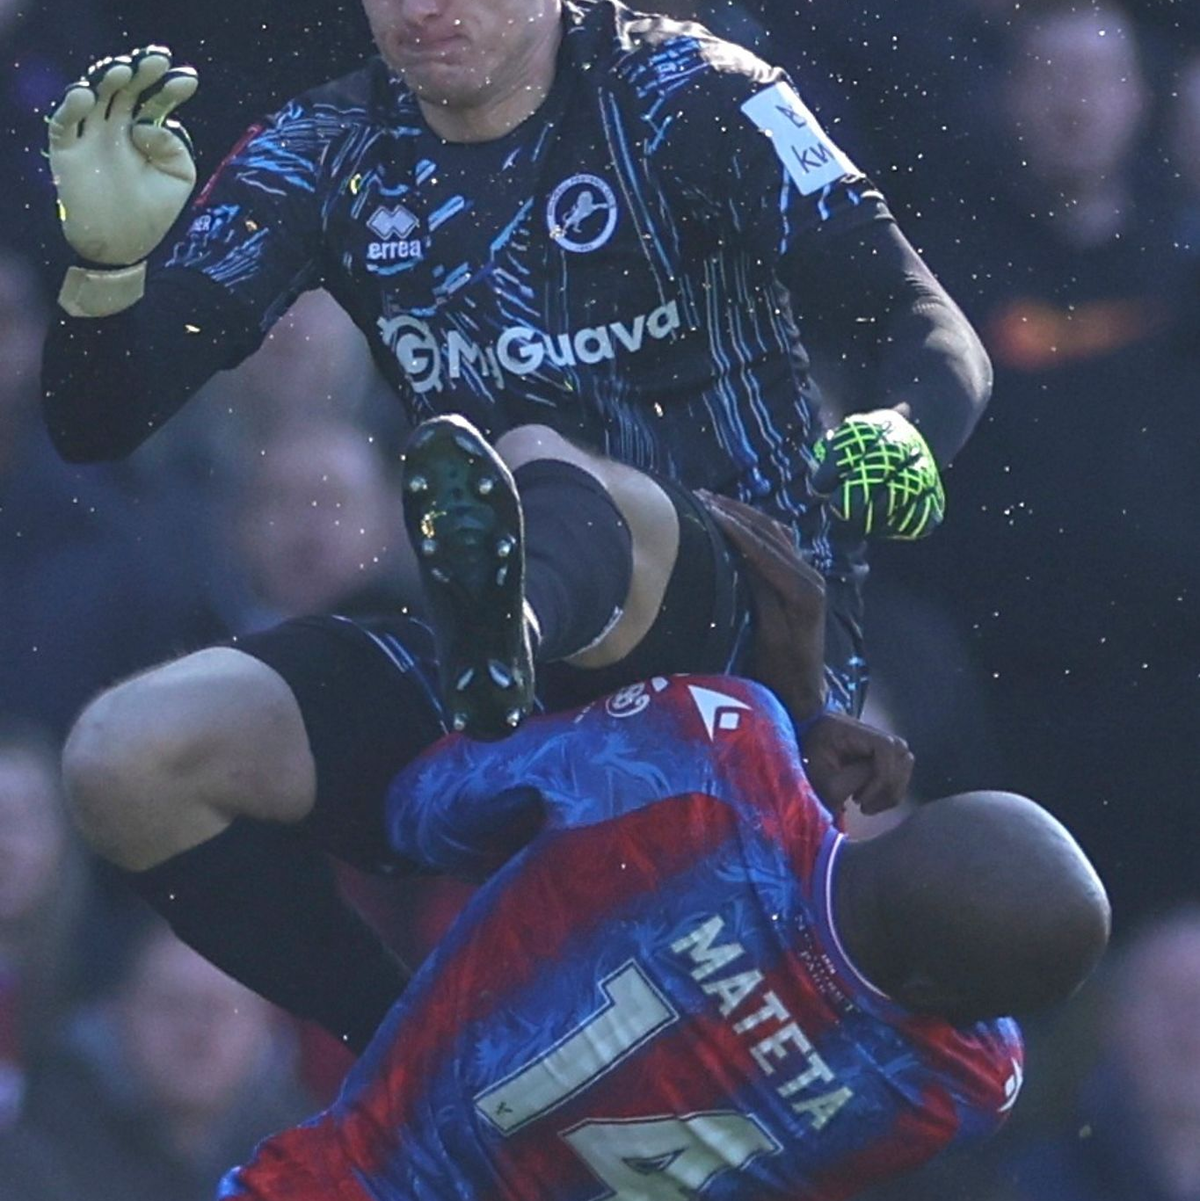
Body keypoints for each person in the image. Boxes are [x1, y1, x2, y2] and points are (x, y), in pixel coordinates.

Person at [46, 2, 990, 1050]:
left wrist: (907, 430)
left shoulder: (695, 89)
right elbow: (97, 422)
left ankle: (508, 638)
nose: (425, 9)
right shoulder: (322, 149)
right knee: (123, 759)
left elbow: (922, 316)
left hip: (748, 653)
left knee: (536, 453)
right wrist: (102, 274)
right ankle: (417, 1049)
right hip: (494, 680)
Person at [215, 498, 1110, 1201]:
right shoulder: (945, 1090)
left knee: (139, 767)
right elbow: (938, 997)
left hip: (343, 1183)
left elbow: (425, 812)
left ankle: (536, 605)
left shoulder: (720, 756)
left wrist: (791, 714)